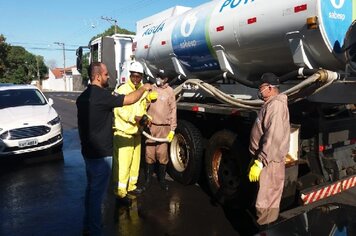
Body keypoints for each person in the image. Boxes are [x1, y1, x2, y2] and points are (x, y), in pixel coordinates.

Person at [76, 62, 152, 236]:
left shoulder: (83, 97)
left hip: (88, 153)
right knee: (97, 196)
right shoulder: (102, 96)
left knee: (91, 190)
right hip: (101, 154)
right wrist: (145, 88)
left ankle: (87, 225)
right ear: (97, 76)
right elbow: (129, 100)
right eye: (106, 74)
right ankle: (94, 230)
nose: (108, 76)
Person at [112, 61, 157, 205]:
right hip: (124, 132)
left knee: (134, 163)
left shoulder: (143, 92)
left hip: (136, 132)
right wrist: (135, 119)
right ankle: (120, 192)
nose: (136, 79)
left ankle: (131, 186)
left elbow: (143, 109)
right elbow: (119, 110)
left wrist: (146, 119)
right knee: (123, 165)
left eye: (139, 77)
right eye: (134, 76)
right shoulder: (122, 90)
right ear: (130, 75)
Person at [248, 73, 290, 226]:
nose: (260, 92)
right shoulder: (271, 104)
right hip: (265, 159)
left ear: (270, 88)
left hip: (269, 162)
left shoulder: (276, 106)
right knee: (264, 196)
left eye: (261, 88)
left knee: (266, 200)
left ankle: (265, 228)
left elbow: (273, 137)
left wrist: (260, 162)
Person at [145, 69, 177, 191]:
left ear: (166, 79)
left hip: (164, 128)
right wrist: (148, 99)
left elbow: (173, 111)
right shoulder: (151, 88)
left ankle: (162, 180)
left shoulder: (170, 92)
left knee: (162, 154)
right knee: (149, 154)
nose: (158, 78)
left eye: (161, 77)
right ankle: (148, 180)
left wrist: (172, 130)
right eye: (157, 76)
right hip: (151, 127)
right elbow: (142, 105)